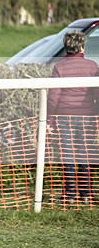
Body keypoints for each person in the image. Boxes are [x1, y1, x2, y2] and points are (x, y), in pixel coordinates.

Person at [47, 31, 98, 203]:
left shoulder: (59, 67)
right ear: (82, 46)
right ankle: (86, 194)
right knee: (85, 154)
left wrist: (50, 120)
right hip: (87, 116)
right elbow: (96, 93)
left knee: (67, 154)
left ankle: (69, 194)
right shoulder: (92, 66)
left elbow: (54, 96)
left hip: (64, 117)